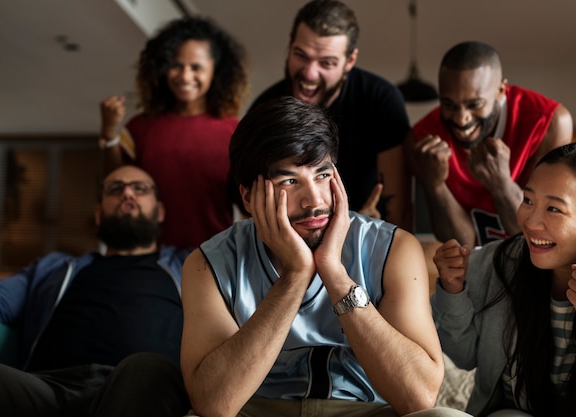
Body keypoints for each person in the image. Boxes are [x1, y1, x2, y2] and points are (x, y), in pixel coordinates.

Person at [180, 96, 471, 417]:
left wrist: (334, 273)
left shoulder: (393, 248)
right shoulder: (208, 264)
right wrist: (294, 277)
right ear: (248, 197)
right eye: (289, 181)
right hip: (257, 409)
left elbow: (419, 396)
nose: (314, 200)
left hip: (364, 410)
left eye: (321, 175)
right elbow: (213, 404)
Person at [0, 165, 191, 417]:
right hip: (47, 389)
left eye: (140, 188)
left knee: (148, 368)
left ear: (159, 211)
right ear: (98, 213)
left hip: (137, 389)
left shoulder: (189, 266)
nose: (127, 193)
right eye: (115, 189)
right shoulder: (54, 268)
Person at [431, 142, 576, 416]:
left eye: (553, 209)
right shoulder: (498, 263)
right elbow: (463, 357)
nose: (530, 222)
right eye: (528, 200)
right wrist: (453, 291)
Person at [249, 0, 412, 230]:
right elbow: (252, 202)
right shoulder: (264, 108)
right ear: (290, 44)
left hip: (366, 233)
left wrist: (373, 233)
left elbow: (398, 209)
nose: (309, 73)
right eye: (301, 55)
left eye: (326, 62)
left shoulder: (381, 99)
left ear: (350, 61)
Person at [99, 15, 249, 248]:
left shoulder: (236, 132)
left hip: (214, 258)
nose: (185, 76)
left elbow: (247, 204)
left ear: (215, 71)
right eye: (176, 66)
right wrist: (109, 134)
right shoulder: (140, 127)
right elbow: (116, 184)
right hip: (148, 257)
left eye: (196, 67)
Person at [406, 41, 573, 247]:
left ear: (501, 90)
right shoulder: (422, 139)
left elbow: (536, 233)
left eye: (474, 104)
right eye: (448, 104)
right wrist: (436, 186)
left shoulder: (549, 123)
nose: (461, 119)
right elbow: (462, 243)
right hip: (470, 271)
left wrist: (501, 183)